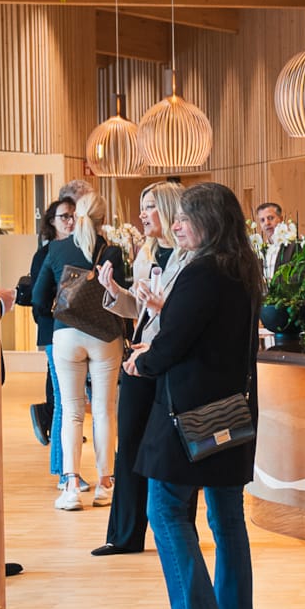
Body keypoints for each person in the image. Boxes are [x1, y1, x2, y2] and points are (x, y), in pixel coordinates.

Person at [127, 183, 260, 609]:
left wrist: (142, 361)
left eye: (184, 218)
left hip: (190, 417)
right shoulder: (242, 268)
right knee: (227, 522)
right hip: (231, 414)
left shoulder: (202, 272)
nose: (176, 224)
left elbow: (172, 345)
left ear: (210, 222)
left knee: (164, 510)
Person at [92, 181, 188, 557]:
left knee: (172, 448)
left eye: (149, 207)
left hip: (170, 358)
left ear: (167, 209)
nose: (142, 215)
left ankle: (179, 529)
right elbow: (142, 309)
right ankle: (125, 535)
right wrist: (116, 291)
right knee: (128, 445)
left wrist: (164, 307)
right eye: (142, 207)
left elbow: (182, 315)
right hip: (139, 355)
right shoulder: (146, 254)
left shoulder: (191, 258)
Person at [32, 188, 126, 512]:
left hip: (66, 335)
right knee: (103, 410)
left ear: (76, 217)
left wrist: (58, 313)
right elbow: (121, 298)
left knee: (71, 411)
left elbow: (39, 296)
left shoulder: (56, 250)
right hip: (105, 337)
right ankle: (105, 484)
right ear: (104, 220)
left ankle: (71, 485)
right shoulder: (112, 252)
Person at [26, 194, 75, 448]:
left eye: (73, 216)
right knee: (62, 399)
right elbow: (39, 297)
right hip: (53, 329)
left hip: (75, 329)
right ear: (52, 221)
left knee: (66, 399)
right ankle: (63, 467)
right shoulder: (44, 254)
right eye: (64, 216)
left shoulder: (79, 248)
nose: (70, 221)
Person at [253, 201, 298, 280]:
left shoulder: (294, 247)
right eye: (262, 220)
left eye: (270, 218)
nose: (267, 223)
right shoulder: (259, 251)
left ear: (281, 219)